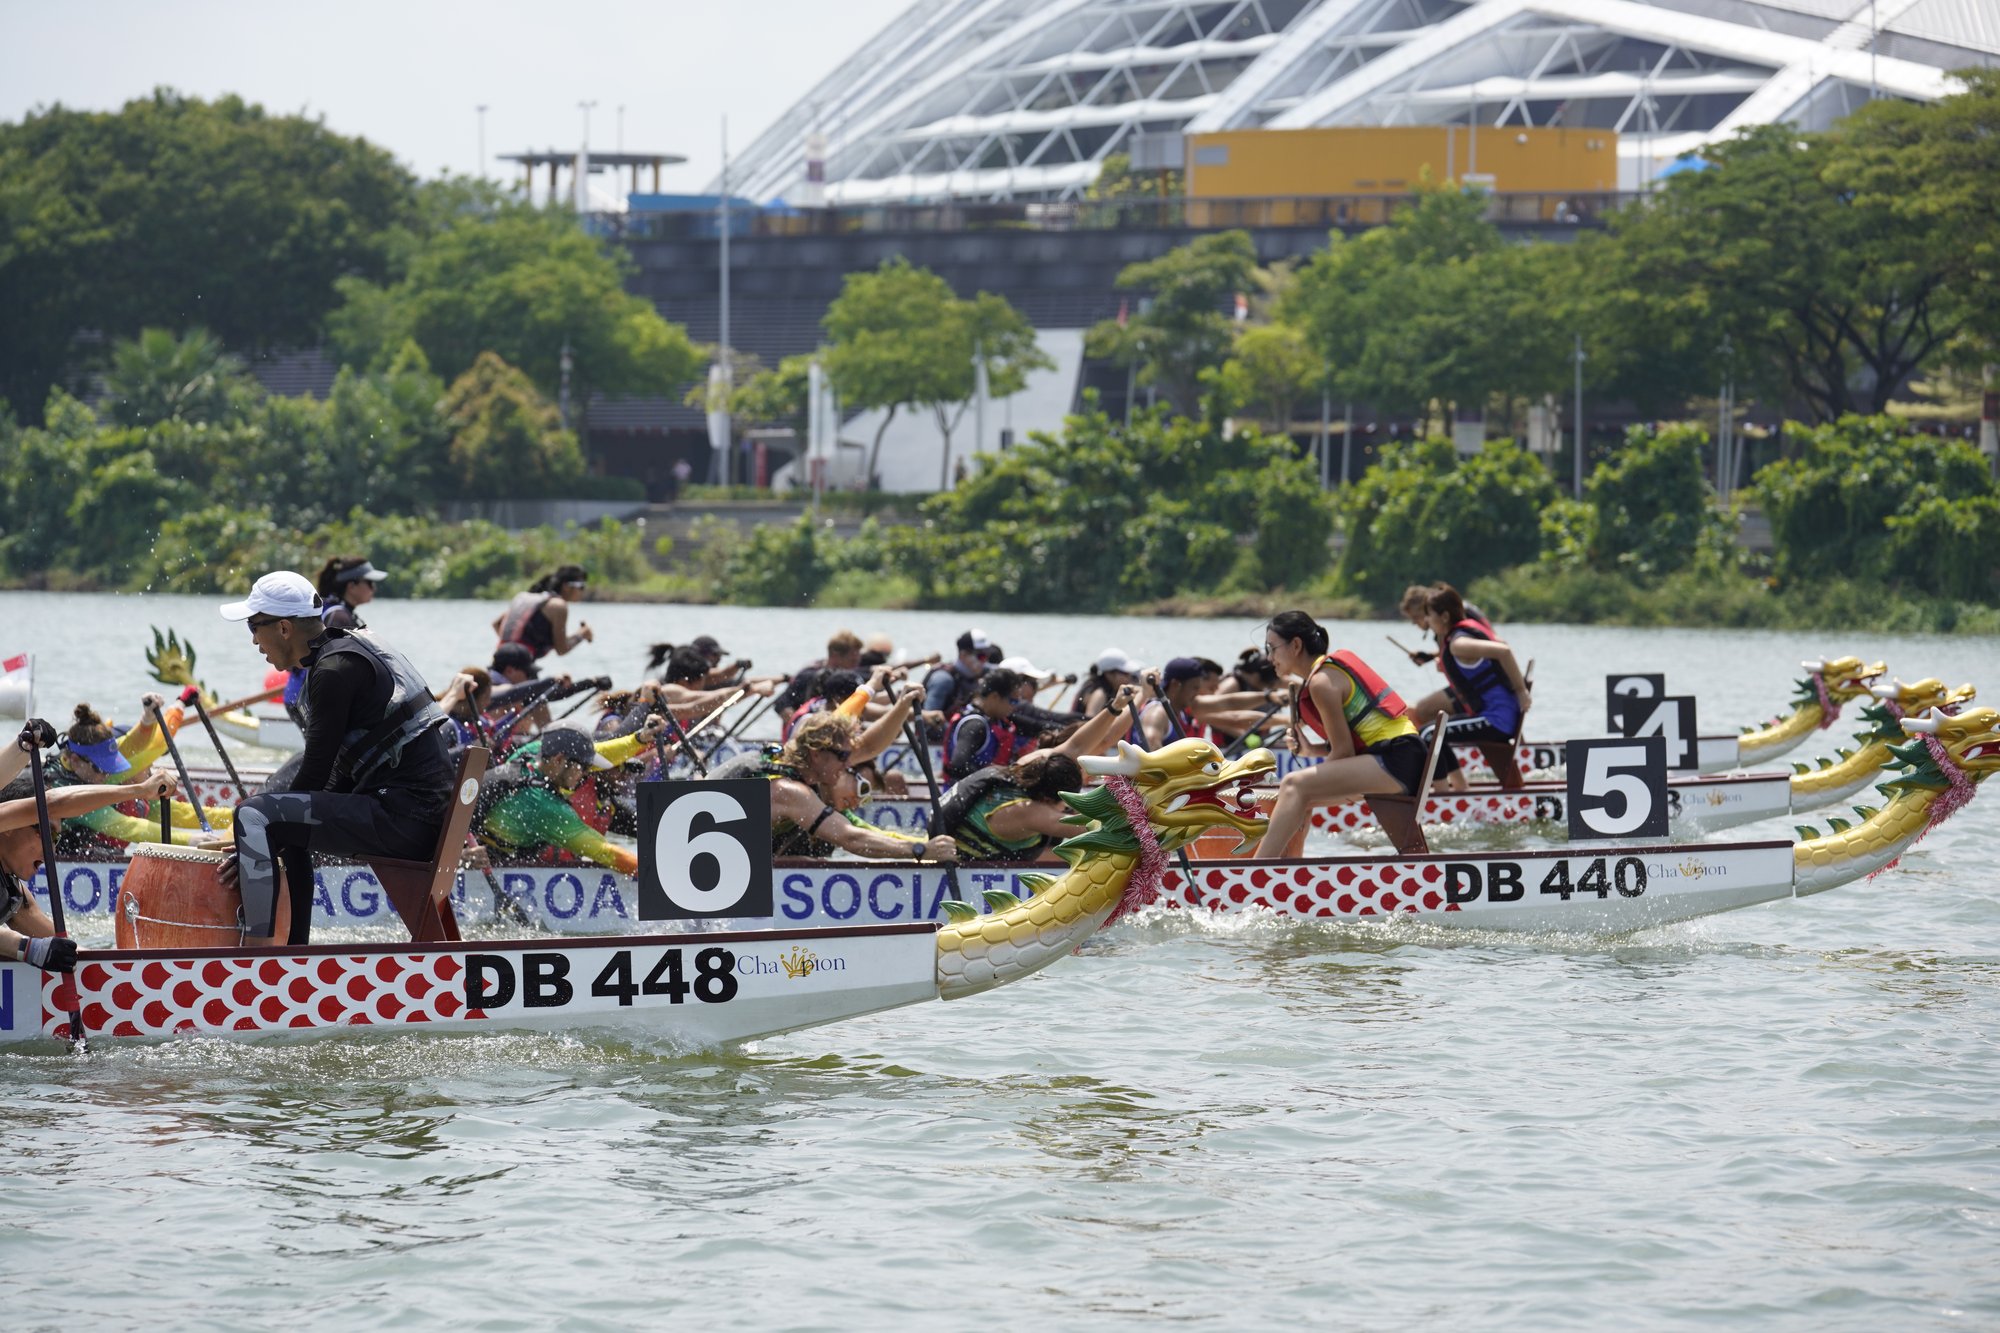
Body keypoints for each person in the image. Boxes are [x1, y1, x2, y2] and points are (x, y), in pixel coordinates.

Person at [218, 570, 456, 945]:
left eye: (254, 626)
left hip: (405, 819)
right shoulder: (347, 650)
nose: (252, 640)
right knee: (275, 822)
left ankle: (257, 958)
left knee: (252, 814)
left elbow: (315, 773)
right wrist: (269, 839)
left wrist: (262, 833)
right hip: (418, 816)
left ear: (283, 628)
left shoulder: (331, 672)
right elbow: (337, 776)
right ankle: (293, 949)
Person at [2, 719, 182, 973]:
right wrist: (138, 790)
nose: (51, 852)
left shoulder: (13, 895)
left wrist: (118, 970)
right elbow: (51, 805)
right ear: (8, 826)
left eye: (57, 840)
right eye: (45, 834)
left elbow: (70, 948)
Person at [1249, 610, 1429, 858]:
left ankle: (1255, 874)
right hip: (1401, 755)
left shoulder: (1321, 682)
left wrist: (1311, 779)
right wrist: (1311, 751)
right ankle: (1287, 873)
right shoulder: (1324, 673)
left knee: (1293, 785)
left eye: (1272, 648)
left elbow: (1343, 752)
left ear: (1296, 645)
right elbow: (1346, 747)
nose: (1269, 657)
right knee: (1300, 796)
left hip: (1398, 757)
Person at [934, 685, 1140, 863]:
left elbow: (1077, 745)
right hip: (962, 864)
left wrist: (1115, 707)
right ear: (1047, 798)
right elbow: (1093, 828)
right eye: (1067, 801)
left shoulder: (1029, 766)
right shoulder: (1029, 812)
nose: (1068, 806)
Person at [718, 711, 957, 861]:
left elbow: (869, 747)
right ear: (816, 755)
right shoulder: (789, 790)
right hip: (704, 877)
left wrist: (902, 705)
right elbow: (850, 839)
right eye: (842, 756)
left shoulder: (788, 759)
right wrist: (919, 851)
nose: (847, 764)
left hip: (719, 864)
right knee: (806, 862)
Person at [47, 702, 230, 852]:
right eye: (103, 769)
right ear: (75, 760)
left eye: (111, 766)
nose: (108, 774)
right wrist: (189, 840)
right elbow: (131, 827)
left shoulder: (92, 772)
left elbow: (135, 746)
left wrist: (147, 719)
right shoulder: (72, 793)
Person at [472, 726, 639, 874]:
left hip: (472, 841)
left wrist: (639, 739)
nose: (587, 773)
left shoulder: (531, 753)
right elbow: (605, 852)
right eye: (584, 767)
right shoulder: (545, 808)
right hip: (485, 861)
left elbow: (599, 751)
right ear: (559, 760)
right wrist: (652, 873)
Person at [1417, 584, 1531, 790]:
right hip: (1497, 715)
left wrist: (1521, 691)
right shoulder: (1461, 634)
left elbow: (1503, 651)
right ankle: (1460, 787)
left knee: (1429, 735)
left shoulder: (1458, 643)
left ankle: (1442, 798)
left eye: (1429, 615)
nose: (1426, 621)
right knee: (1429, 731)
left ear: (1444, 616)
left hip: (1496, 719)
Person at [1136, 658, 1282, 750]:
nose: (1198, 693)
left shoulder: (1182, 709)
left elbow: (1229, 703)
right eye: (1194, 688)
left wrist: (1269, 697)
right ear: (1175, 685)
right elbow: (1151, 747)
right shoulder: (1157, 713)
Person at [942, 669, 1025, 785]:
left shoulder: (993, 718)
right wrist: (998, 779)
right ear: (994, 697)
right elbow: (957, 765)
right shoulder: (975, 725)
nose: (1014, 707)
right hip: (961, 797)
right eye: (1013, 701)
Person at [494, 565, 594, 659]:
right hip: (518, 670)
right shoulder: (559, 606)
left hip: (499, 662)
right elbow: (561, 649)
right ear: (566, 586)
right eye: (581, 586)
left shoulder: (529, 597)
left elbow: (497, 624)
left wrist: (511, 648)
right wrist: (582, 635)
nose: (583, 591)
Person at [773, 629, 864, 716]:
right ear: (835, 655)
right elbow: (781, 703)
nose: (858, 659)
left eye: (858, 654)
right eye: (853, 656)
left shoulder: (850, 675)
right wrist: (800, 725)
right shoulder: (809, 675)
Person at [923, 630, 993, 716]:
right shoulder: (943, 680)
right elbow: (928, 718)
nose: (985, 660)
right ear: (963, 655)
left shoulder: (981, 669)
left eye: (988, 654)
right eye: (981, 656)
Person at [315, 556, 388, 631]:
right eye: (369, 582)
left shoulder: (337, 610)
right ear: (352, 586)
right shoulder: (339, 617)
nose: (374, 588)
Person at [1072, 648, 1145, 717]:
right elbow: (1087, 722)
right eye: (1125, 673)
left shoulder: (1105, 688)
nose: (1129, 677)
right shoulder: (1099, 694)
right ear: (1110, 674)